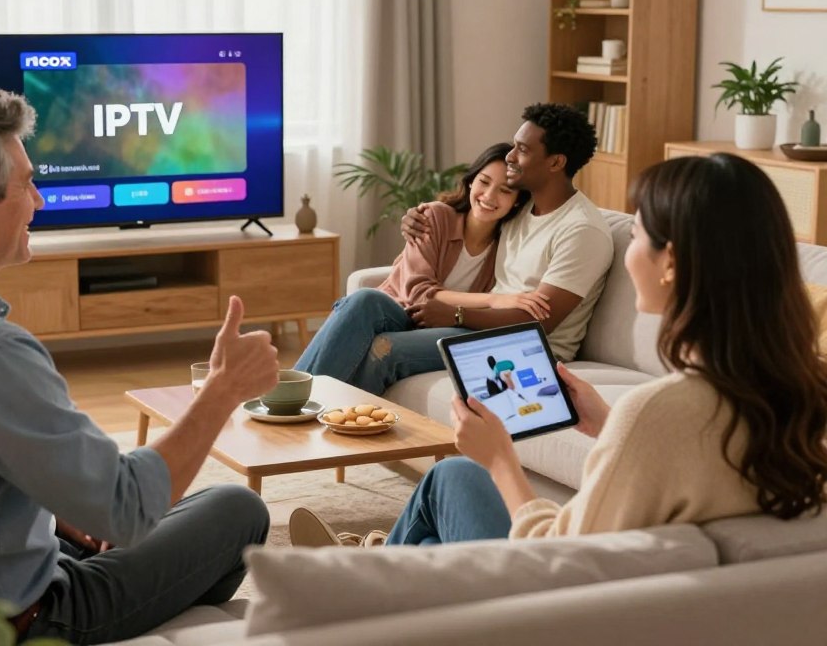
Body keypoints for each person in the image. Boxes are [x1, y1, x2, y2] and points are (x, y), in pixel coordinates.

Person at [0, 92, 280, 644]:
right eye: (26, 184)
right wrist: (222, 389)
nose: (38, 200)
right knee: (238, 509)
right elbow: (126, 510)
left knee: (166, 516)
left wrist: (54, 510)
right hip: (20, 618)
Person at [294, 153, 827, 548]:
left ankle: (363, 575)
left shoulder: (662, 413)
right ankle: (379, 565)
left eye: (638, 236)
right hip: (677, 599)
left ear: (672, 263)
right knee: (451, 477)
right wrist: (604, 423)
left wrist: (502, 458)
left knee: (456, 476)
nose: (627, 255)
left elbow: (559, 560)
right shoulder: (803, 393)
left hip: (555, 611)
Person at [341, 103, 614, 397]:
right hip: (480, 328)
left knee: (386, 349)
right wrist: (415, 220)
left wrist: (458, 315)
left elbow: (539, 322)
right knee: (365, 301)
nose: (510, 156)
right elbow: (469, 222)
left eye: (522, 149)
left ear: (555, 163)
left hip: (524, 346)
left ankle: (349, 430)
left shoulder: (582, 231)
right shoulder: (522, 211)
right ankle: (293, 404)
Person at [294, 143, 549, 394]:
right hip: (401, 313)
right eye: (484, 182)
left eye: (504, 190)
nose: (489, 196)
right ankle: (292, 397)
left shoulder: (508, 247)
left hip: (445, 330)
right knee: (363, 299)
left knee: (383, 347)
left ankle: (315, 410)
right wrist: (494, 300)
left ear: (516, 201)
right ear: (471, 182)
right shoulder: (434, 217)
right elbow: (419, 292)